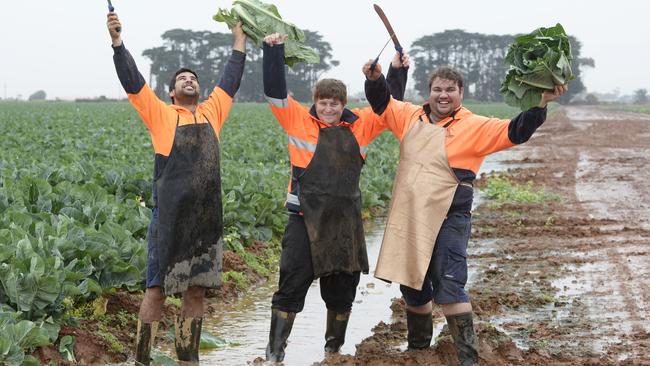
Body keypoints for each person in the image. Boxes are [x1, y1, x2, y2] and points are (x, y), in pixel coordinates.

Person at [363, 60, 567, 365]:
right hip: (409, 215)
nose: (443, 95)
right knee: (412, 285)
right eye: (437, 89)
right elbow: (382, 102)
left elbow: (516, 131)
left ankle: (467, 358)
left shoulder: (474, 125)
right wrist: (376, 78)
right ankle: (418, 352)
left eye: (450, 90)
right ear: (429, 92)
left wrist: (540, 105)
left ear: (461, 93)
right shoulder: (409, 116)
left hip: (450, 216)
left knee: (448, 283)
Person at [106, 12, 246, 365]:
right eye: (181, 79)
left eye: (193, 79)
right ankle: (142, 360)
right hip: (169, 219)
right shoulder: (161, 115)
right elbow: (133, 81)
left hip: (205, 223)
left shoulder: (212, 113)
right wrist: (118, 43)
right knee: (156, 290)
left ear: (199, 90)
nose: (189, 81)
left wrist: (239, 40)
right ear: (171, 92)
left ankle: (189, 359)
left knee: (195, 291)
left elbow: (230, 79)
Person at [261, 33, 408, 362]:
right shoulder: (298, 120)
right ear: (315, 101)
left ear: (343, 104)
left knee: (342, 294)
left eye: (335, 103)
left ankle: (333, 352)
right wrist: (273, 51)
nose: (328, 108)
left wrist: (396, 72)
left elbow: (389, 105)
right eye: (323, 102)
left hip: (344, 225)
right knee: (290, 286)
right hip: (303, 223)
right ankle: (274, 354)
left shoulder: (361, 125)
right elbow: (274, 92)